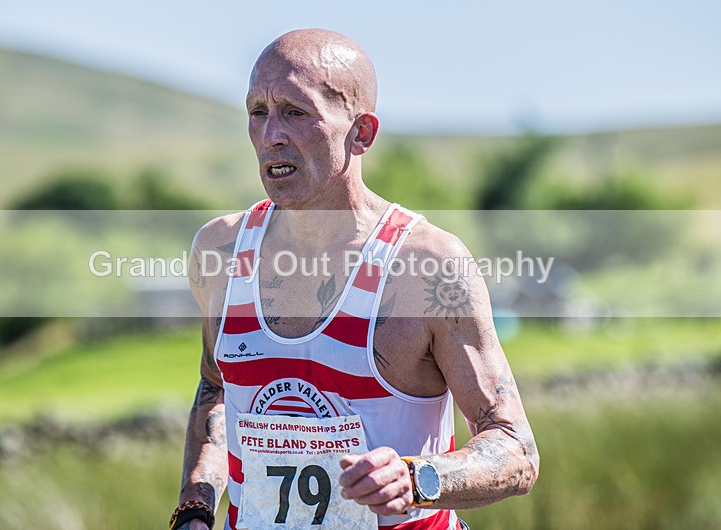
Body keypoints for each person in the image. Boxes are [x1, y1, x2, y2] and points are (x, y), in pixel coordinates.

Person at [170, 29, 539, 530]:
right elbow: (215, 386)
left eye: (296, 112)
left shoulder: (426, 264)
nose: (271, 134)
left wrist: (416, 478)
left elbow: (514, 448)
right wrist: (195, 507)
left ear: (361, 133)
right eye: (258, 112)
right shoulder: (219, 251)